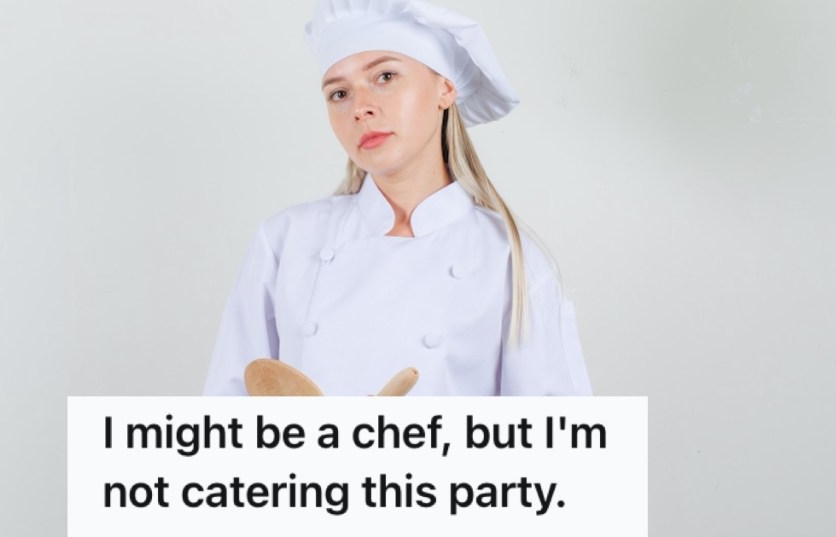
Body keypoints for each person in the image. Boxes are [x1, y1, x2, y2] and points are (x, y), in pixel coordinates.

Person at [203, 0, 592, 396]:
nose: (361, 108)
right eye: (339, 93)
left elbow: (556, 439)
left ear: (445, 88)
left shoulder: (508, 258)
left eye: (385, 76)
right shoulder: (286, 241)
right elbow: (225, 418)